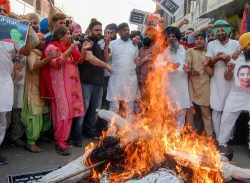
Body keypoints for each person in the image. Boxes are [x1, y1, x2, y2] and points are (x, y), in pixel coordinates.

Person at [42, 26, 86, 155]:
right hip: (60, 85)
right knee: (63, 113)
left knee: (69, 113)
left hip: (72, 87)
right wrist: (70, 50)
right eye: (67, 34)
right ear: (60, 36)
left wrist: (82, 49)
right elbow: (56, 63)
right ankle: (59, 141)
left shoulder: (71, 47)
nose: (70, 36)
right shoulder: (51, 47)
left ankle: (63, 139)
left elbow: (79, 61)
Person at [0, 0, 32, 164]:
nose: (1, 13)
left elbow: (26, 51)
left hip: (4, 82)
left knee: (2, 119)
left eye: (3, 11)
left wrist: (25, 33)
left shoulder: (10, 32)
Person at [73, 21, 112, 144]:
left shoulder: (98, 43)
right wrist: (106, 66)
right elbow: (89, 58)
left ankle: (89, 130)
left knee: (95, 110)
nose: (99, 32)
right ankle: (77, 135)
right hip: (87, 82)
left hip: (98, 82)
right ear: (90, 30)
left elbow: (105, 58)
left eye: (100, 30)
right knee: (83, 109)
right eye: (96, 30)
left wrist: (106, 45)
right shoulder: (87, 40)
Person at [204, 20, 242, 139]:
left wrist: (228, 58)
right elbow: (207, 62)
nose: (220, 33)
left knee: (230, 111)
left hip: (232, 81)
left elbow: (239, 61)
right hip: (217, 82)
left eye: (222, 30)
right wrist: (218, 57)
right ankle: (219, 137)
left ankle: (228, 137)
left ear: (227, 31)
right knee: (216, 110)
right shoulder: (212, 44)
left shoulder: (236, 44)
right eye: (217, 30)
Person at [218, 32, 250, 158]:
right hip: (236, 94)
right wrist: (229, 70)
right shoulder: (235, 58)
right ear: (244, 46)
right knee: (227, 118)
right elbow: (226, 78)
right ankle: (222, 144)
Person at [21, 33, 55, 153]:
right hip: (34, 89)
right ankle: (30, 142)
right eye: (39, 40)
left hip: (44, 88)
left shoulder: (45, 53)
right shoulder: (32, 53)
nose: (41, 42)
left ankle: (41, 135)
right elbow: (33, 66)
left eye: (43, 40)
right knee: (35, 115)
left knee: (46, 113)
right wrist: (48, 59)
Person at [155, 26, 192, 133]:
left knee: (181, 111)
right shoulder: (165, 51)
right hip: (169, 86)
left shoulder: (185, 50)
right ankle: (170, 135)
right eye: (169, 37)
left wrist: (188, 69)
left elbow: (189, 65)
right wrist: (167, 63)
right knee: (170, 112)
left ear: (178, 38)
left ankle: (178, 134)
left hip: (182, 85)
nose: (171, 38)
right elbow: (156, 65)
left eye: (173, 36)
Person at [107, 23, 140, 122]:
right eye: (124, 30)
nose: (127, 32)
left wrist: (138, 60)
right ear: (119, 32)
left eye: (128, 30)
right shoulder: (112, 44)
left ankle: (129, 134)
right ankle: (111, 133)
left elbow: (135, 60)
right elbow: (107, 58)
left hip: (130, 80)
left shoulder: (134, 44)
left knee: (129, 108)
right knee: (114, 106)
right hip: (116, 80)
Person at [183, 32, 214, 136]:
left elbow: (211, 73)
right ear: (194, 41)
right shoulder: (190, 51)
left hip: (205, 86)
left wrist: (205, 66)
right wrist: (189, 69)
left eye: (201, 38)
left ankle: (210, 136)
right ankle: (193, 135)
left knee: (206, 114)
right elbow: (188, 63)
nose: (199, 40)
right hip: (192, 86)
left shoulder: (209, 52)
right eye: (197, 39)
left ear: (205, 41)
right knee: (192, 113)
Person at [136, 27, 157, 102]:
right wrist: (146, 58)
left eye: (150, 35)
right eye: (146, 35)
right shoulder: (141, 49)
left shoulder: (156, 48)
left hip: (154, 79)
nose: (147, 37)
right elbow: (137, 64)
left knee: (153, 101)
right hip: (143, 79)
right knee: (144, 101)